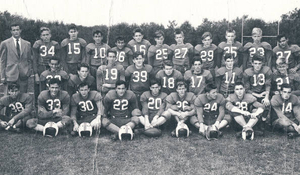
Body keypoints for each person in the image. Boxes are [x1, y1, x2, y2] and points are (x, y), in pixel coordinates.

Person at [0, 23, 32, 93]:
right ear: (11, 32)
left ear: (20, 30)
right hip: (10, 74)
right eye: (13, 30)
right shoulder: (5, 43)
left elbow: (29, 60)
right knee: (10, 97)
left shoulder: (27, 44)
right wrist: (2, 76)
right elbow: (2, 61)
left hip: (23, 75)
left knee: (23, 97)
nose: (16, 32)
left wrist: (28, 72)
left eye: (17, 29)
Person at [243, 53, 272, 124]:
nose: (257, 65)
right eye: (255, 63)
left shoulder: (267, 70)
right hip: (252, 94)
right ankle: (256, 121)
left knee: (267, 103)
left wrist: (266, 97)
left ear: (262, 64)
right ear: (252, 63)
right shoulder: (247, 72)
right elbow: (246, 89)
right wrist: (256, 95)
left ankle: (263, 121)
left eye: (259, 63)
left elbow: (268, 85)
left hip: (263, 92)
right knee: (255, 108)